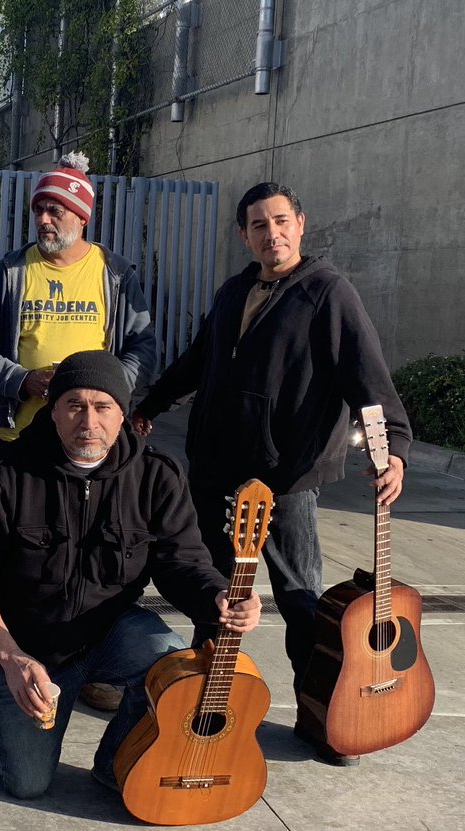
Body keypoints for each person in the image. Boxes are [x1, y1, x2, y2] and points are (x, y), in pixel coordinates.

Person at [131, 182, 411, 764]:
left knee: (301, 601)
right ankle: (207, 707)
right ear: (244, 235)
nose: (271, 233)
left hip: (285, 481)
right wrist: (150, 405)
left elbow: (367, 375)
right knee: (213, 593)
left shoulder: (328, 292)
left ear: (301, 224)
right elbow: (198, 359)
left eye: (280, 221)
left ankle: (320, 719)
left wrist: (397, 448)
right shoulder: (235, 290)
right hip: (215, 471)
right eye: (259, 225)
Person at [0, 350, 262, 799]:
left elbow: (184, 561)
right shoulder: (8, 472)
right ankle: (10, 704)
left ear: (123, 415)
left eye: (103, 407)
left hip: (105, 633)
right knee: (28, 784)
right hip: (25, 645)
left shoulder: (157, 475)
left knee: (170, 658)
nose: (88, 421)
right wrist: (9, 657)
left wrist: (218, 596)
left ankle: (117, 761)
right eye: (75, 405)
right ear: (53, 411)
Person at [0, 151, 156, 712]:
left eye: (57, 210)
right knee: (9, 561)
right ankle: (1, 659)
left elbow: (142, 347)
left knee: (90, 555)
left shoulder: (115, 274)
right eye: (39, 209)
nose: (45, 219)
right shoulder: (11, 271)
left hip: (92, 446)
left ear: (82, 216)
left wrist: (104, 390)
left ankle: (93, 663)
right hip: (20, 443)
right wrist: (24, 380)